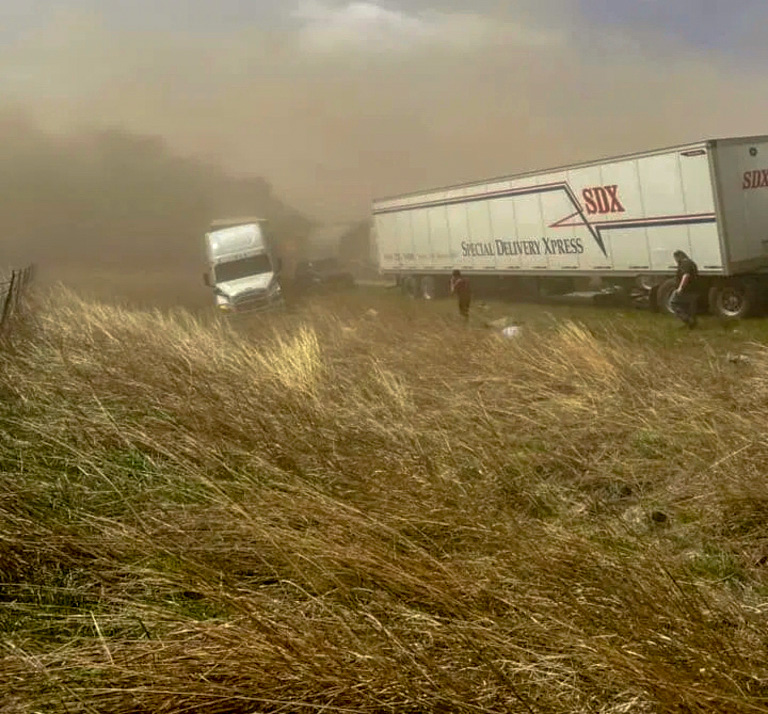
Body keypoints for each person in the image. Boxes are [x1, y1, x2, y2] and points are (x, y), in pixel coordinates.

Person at [670, 250, 699, 328]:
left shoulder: (684, 264)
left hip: (686, 289)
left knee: (673, 303)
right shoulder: (691, 263)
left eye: (675, 258)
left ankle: (688, 320)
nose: (675, 261)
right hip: (693, 289)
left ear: (679, 257)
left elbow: (686, 276)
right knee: (688, 307)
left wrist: (680, 288)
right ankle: (692, 324)